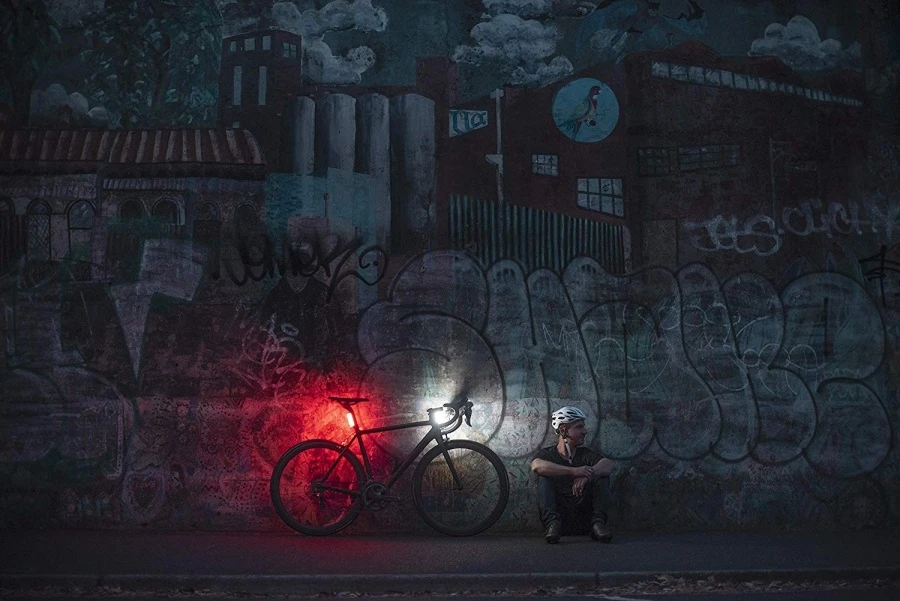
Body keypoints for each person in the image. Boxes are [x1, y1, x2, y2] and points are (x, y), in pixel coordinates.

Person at [531, 406, 616, 544]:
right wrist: (574, 471)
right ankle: (552, 524)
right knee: (544, 477)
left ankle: (598, 524)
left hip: (586, 522)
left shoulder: (585, 454)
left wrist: (588, 474)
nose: (585, 431)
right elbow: (537, 466)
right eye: (579, 427)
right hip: (559, 525)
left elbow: (609, 465)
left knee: (602, 476)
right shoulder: (548, 454)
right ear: (563, 430)